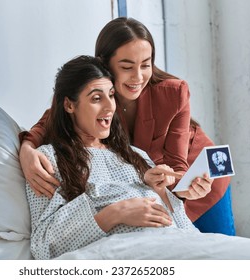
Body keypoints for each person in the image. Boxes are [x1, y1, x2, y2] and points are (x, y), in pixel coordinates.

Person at [19, 17, 235, 235]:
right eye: (126, 66)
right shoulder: (91, 95)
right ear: (104, 65)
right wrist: (27, 151)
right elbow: (51, 119)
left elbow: (176, 165)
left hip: (193, 176)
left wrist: (181, 188)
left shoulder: (173, 92)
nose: (138, 77)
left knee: (217, 243)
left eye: (146, 65)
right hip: (154, 189)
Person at [27, 55, 199, 259]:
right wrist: (116, 213)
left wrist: (161, 191)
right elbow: (43, 245)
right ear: (69, 105)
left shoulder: (135, 156)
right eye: (97, 98)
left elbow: (182, 226)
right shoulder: (48, 159)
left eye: (111, 95)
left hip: (180, 248)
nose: (110, 107)